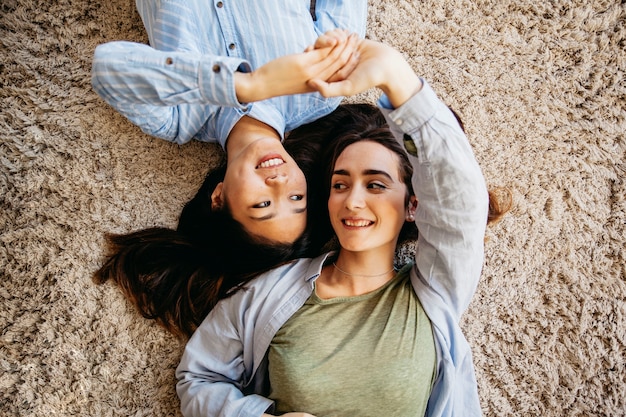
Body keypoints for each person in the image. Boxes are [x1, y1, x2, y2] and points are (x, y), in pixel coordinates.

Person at [174, 38, 511, 417]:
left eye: (376, 185)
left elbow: (459, 200)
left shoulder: (435, 292)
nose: (352, 201)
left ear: (414, 205)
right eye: (340, 184)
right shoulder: (267, 294)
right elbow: (199, 378)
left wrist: (397, 81)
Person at [91, 0, 366, 245]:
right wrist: (338, 45)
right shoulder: (322, 91)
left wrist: (250, 86)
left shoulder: (176, 118)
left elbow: (107, 68)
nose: (280, 182)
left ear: (218, 198)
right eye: (296, 199)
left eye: (262, 204)